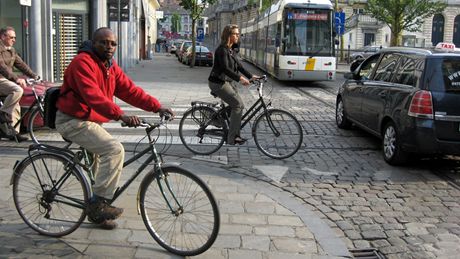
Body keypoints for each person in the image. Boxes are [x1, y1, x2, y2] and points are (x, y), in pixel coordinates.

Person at [55, 27, 174, 230]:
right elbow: (93, 96)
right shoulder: (82, 63)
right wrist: (121, 115)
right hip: (72, 120)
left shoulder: (109, 65)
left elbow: (130, 90)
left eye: (113, 43)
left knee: (100, 162)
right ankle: (98, 205)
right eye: (103, 42)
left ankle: (95, 211)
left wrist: (157, 107)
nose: (109, 47)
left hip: (90, 120)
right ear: (94, 43)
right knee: (114, 149)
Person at [208, 24, 259, 145]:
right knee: (237, 105)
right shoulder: (221, 50)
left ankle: (218, 118)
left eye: (238, 34)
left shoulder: (232, 49)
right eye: (235, 34)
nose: (237, 36)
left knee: (239, 105)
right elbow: (225, 69)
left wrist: (250, 76)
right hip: (217, 82)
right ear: (228, 35)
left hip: (227, 82)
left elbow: (239, 66)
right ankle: (233, 138)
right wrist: (240, 78)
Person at [0, 26, 40, 142]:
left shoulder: (11, 50)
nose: (14, 40)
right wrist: (16, 79)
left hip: (5, 80)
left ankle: (13, 133)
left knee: (16, 104)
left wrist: (34, 76)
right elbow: (2, 67)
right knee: (17, 90)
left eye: (15, 38)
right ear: (3, 37)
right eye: (11, 37)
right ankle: (2, 114)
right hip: (1, 79)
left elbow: (21, 65)